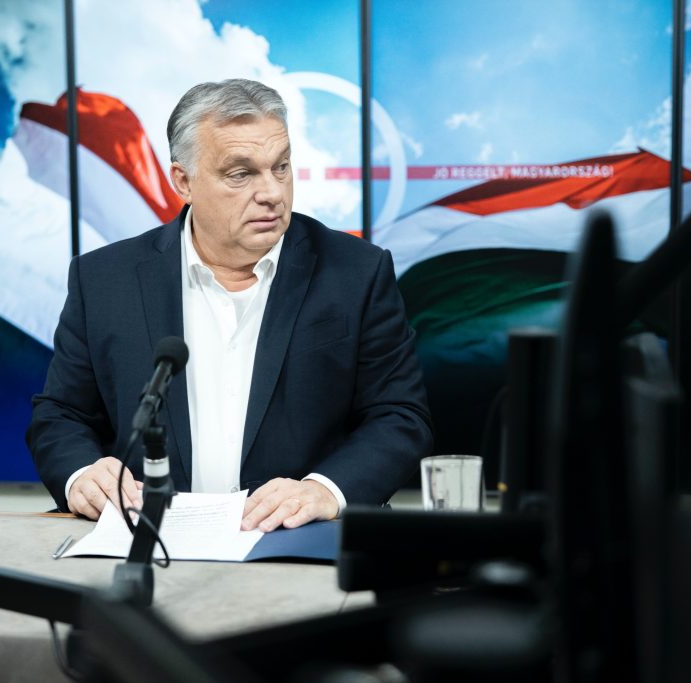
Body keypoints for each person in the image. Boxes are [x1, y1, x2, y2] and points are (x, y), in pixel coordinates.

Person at [27, 78, 432, 532]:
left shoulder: (357, 271)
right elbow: (61, 416)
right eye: (241, 174)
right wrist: (83, 474)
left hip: (299, 540)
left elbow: (399, 416)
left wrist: (324, 490)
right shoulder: (104, 279)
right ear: (183, 181)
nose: (272, 192)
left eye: (281, 167)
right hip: (149, 537)